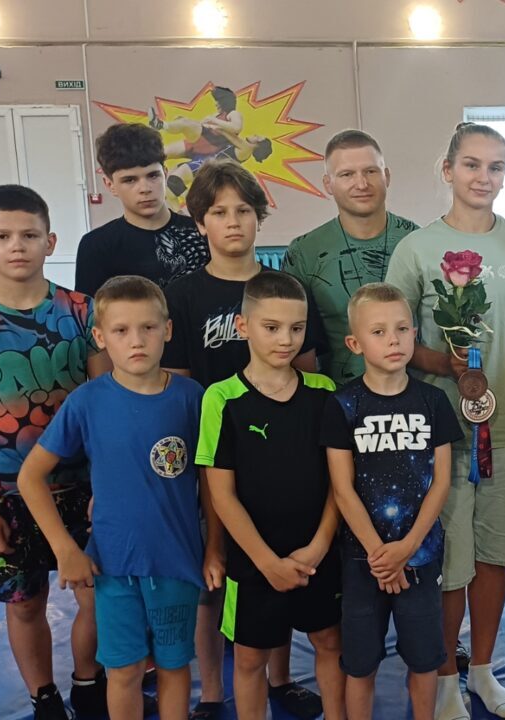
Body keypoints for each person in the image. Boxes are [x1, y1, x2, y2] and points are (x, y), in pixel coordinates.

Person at [385, 121, 505, 720]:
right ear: (448, 170)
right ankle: (445, 673)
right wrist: (443, 365)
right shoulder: (417, 249)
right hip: (441, 434)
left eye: (496, 166)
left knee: (493, 555)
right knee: (449, 561)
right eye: (472, 164)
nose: (484, 177)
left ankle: (482, 667)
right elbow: (392, 337)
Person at [0, 185, 113, 720]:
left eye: (29, 235)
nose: (17, 246)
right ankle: (44, 696)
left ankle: (88, 681)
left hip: (80, 489)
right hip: (5, 496)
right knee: (25, 603)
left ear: (50, 241)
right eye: (2, 236)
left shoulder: (82, 312)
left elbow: (104, 406)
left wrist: (107, 489)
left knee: (99, 595)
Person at [161, 159, 325, 719]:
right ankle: (212, 690)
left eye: (243, 211)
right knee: (216, 575)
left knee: (279, 563)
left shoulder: (286, 290)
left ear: (260, 217)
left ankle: (281, 677)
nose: (232, 222)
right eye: (219, 212)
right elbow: (177, 386)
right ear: (200, 222)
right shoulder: (184, 295)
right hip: (216, 455)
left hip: (282, 456)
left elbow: (308, 374)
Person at [17, 276, 207, 720]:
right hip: (113, 565)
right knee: (123, 670)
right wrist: (66, 549)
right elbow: (30, 477)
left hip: (177, 561)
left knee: (174, 666)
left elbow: (214, 482)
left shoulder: (192, 398)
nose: (136, 341)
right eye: (121, 331)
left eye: (148, 328)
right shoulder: (87, 402)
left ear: (168, 330)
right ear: (101, 338)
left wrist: (214, 547)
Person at [196, 271, 344, 720]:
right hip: (253, 561)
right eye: (272, 327)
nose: (286, 340)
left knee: (329, 642)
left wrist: (319, 546)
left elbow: (339, 484)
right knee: (248, 658)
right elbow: (221, 495)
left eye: (296, 328)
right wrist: (265, 562)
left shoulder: (324, 393)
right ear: (243, 327)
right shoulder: (221, 399)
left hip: (318, 553)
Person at [322, 282, 463, 720]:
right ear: (355, 344)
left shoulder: (433, 401)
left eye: (402, 329)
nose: (394, 340)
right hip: (362, 560)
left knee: (424, 660)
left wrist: (407, 548)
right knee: (360, 663)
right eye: (379, 331)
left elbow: (441, 482)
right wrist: (379, 555)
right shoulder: (342, 405)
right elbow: (342, 489)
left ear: (415, 334)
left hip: (420, 556)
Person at [284, 129, 420, 386]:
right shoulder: (304, 252)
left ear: (387, 176)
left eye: (371, 171)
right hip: (335, 398)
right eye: (347, 174)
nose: (362, 184)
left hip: (414, 397)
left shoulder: (417, 241)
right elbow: (296, 341)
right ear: (328, 184)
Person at [76, 123, 209, 296]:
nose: (145, 188)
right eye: (130, 180)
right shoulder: (96, 246)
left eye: (153, 175)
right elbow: (88, 310)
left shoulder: (203, 232)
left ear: (165, 174)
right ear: (110, 185)